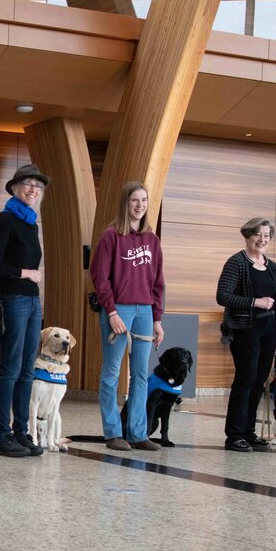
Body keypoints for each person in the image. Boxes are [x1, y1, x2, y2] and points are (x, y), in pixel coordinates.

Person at [90, 181, 166, 452]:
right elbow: (100, 278)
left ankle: (137, 433)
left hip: (145, 310)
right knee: (112, 372)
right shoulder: (111, 236)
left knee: (140, 375)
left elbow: (158, 282)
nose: (140, 205)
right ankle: (112, 433)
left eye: (144, 200)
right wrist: (110, 311)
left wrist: (157, 319)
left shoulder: (152, 240)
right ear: (126, 203)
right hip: (118, 309)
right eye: (135, 200)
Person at [0, 164, 47, 458]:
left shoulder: (31, 223)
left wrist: (31, 279)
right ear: (14, 187)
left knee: (27, 369)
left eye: (38, 186)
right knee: (10, 369)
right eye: (28, 184)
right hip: (14, 299)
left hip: (33, 301)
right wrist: (26, 272)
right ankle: (3, 436)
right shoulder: (7, 220)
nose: (33, 189)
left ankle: (22, 433)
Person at [216, 217, 276, 452]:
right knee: (245, 379)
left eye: (267, 235)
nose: (263, 239)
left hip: (268, 329)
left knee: (258, 381)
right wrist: (255, 302)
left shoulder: (273, 267)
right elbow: (223, 296)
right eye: (258, 234)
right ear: (248, 235)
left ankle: (248, 432)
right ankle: (234, 435)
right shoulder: (236, 263)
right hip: (245, 329)